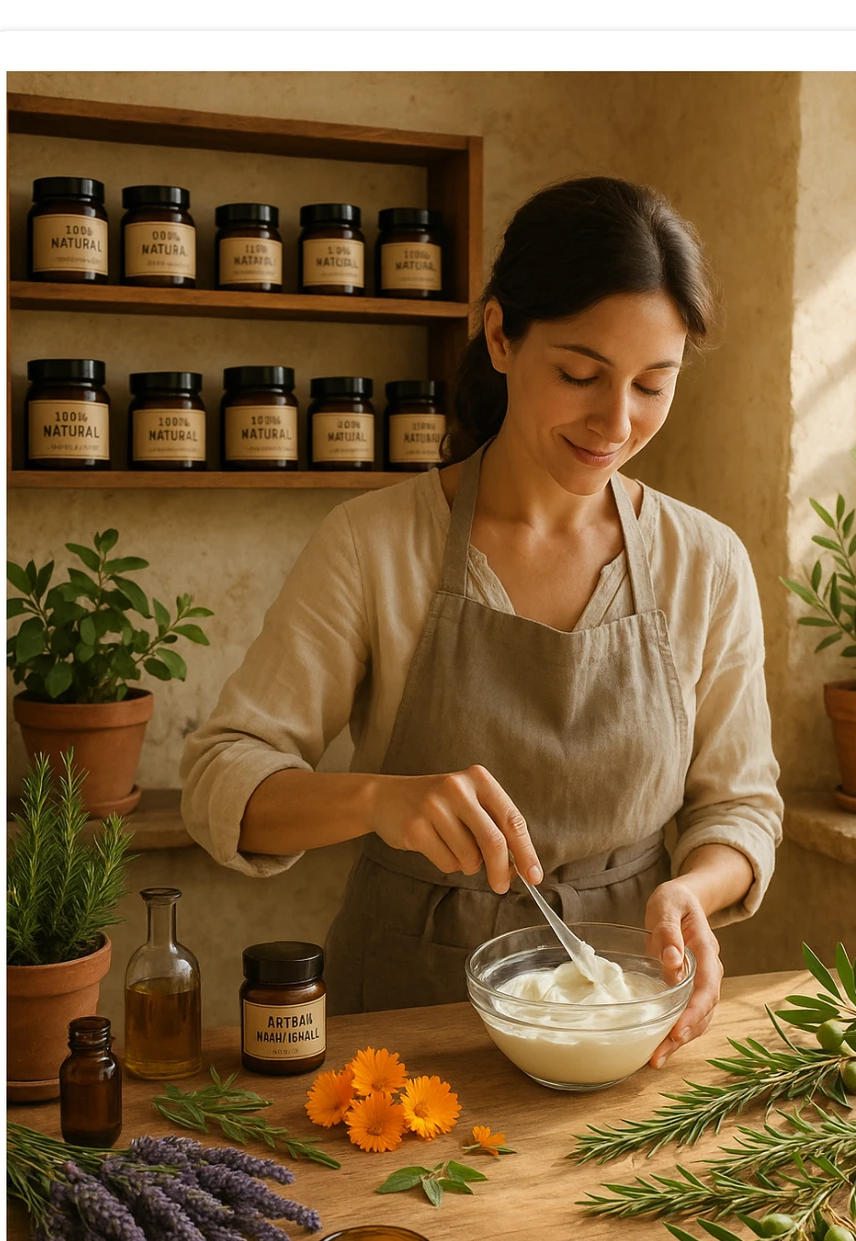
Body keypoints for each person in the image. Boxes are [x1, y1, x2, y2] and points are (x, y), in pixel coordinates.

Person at [180, 176, 783, 1067]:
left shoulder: (707, 562)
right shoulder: (373, 544)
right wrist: (379, 799)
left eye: (653, 385)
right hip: (407, 1020)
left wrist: (696, 889)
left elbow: (740, 806)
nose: (616, 422)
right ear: (500, 336)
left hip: (627, 1017)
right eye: (580, 375)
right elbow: (219, 777)